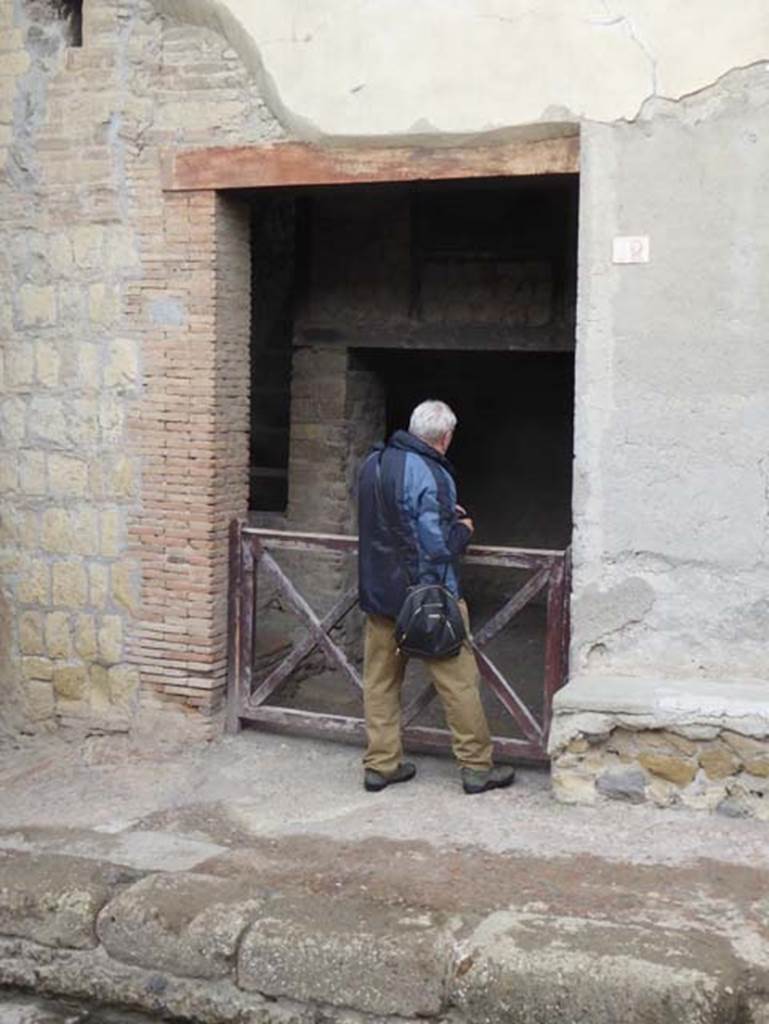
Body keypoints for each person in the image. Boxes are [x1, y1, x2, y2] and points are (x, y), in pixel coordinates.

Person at [357, 399, 516, 795]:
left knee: (379, 682)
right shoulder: (433, 473)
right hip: (429, 600)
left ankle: (381, 765)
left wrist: (441, 513)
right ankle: (476, 767)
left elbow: (389, 519)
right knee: (459, 683)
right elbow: (437, 546)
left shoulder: (372, 464)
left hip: (380, 595)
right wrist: (463, 528)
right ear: (445, 437)